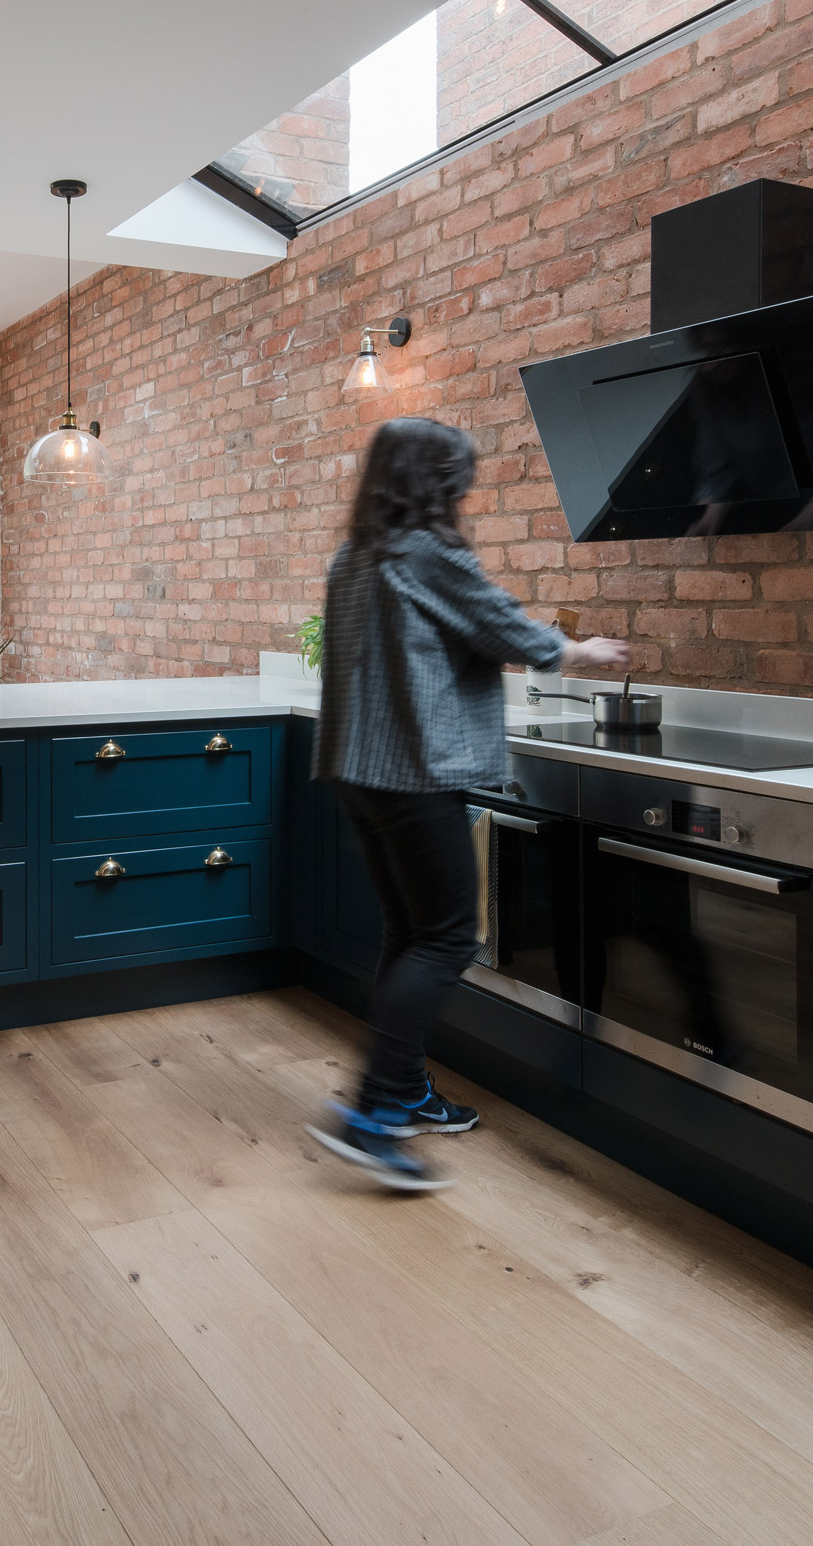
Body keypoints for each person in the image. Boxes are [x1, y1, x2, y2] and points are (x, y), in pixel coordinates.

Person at [308, 417, 630, 1190]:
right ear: (436, 480)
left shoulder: (355, 554)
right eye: (459, 476)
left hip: (357, 768)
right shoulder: (427, 551)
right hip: (413, 773)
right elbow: (498, 624)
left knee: (411, 928)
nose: (466, 489)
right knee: (451, 935)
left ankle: (403, 1090)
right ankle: (372, 1115)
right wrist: (579, 649)